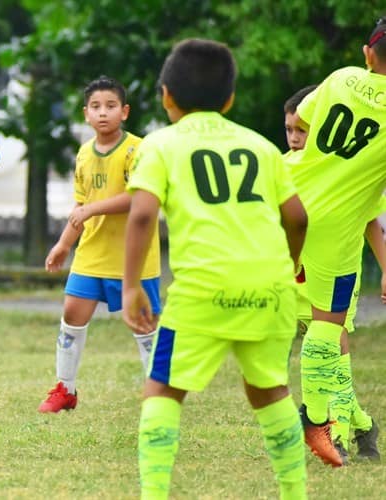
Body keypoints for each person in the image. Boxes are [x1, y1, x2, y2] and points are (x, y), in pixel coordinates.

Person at [123, 39, 308, 499]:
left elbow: (143, 214)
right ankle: (294, 493)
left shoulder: (161, 146)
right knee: (270, 390)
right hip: (271, 286)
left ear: (166, 95)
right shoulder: (261, 146)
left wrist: (131, 286)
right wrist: (289, 266)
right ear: (229, 100)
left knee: (163, 391)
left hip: (203, 289)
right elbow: (298, 217)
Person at [286, 16, 386, 467]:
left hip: (288, 202)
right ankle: (320, 420)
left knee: (310, 329)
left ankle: (353, 423)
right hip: (336, 229)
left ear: (368, 53)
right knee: (329, 330)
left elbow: (303, 119)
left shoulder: (342, 77)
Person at [38, 76, 162, 414]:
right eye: (95, 107)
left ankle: (159, 393)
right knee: (71, 315)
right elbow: (80, 206)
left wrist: (92, 209)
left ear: (124, 112)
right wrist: (64, 244)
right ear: (86, 114)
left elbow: (139, 197)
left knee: (144, 326)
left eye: (110, 106)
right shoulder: (83, 153)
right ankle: (65, 389)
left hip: (133, 256)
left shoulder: (139, 149)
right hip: (91, 253)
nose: (103, 113)